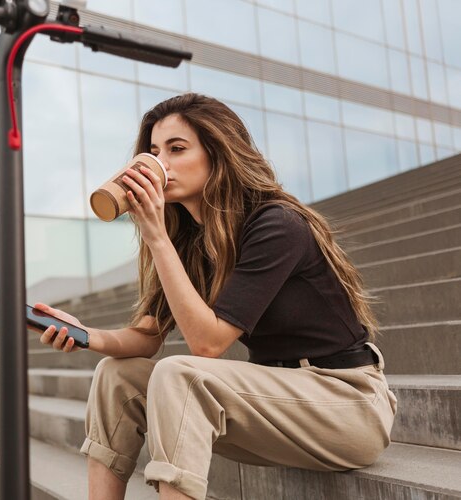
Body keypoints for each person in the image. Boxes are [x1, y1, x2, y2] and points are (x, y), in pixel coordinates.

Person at [32, 93, 397, 500]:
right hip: (276, 401)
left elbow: (207, 344)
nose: (160, 164)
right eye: (153, 152)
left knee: (179, 375)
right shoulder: (187, 239)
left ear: (217, 154)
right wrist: (86, 335)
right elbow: (147, 336)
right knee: (116, 375)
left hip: (346, 405)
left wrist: (155, 236)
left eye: (177, 149)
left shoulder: (277, 224)